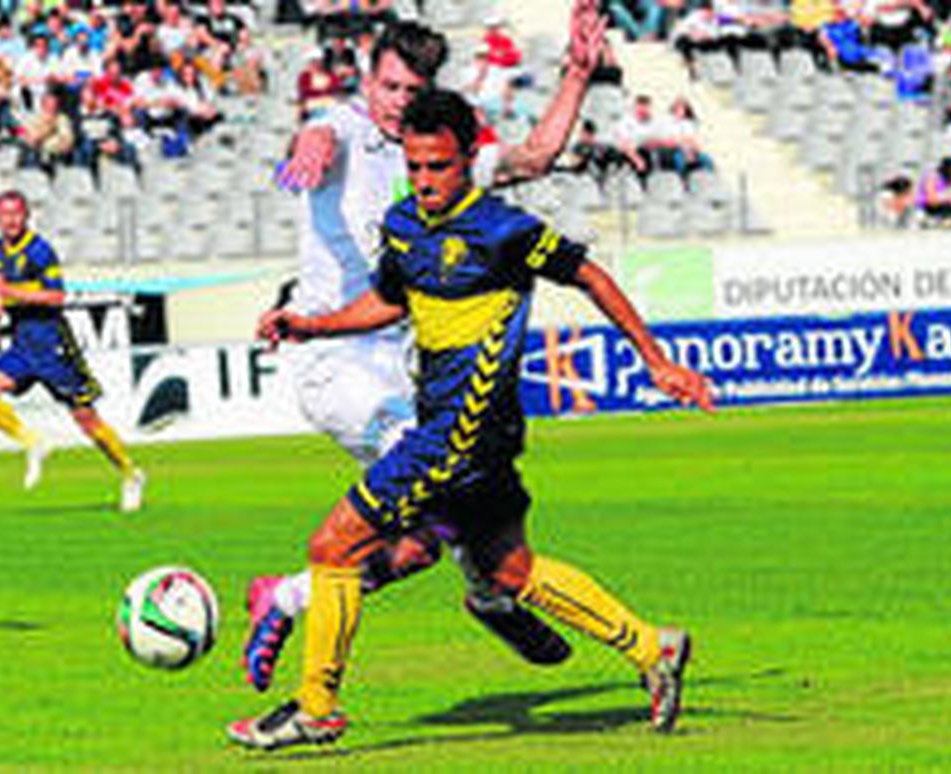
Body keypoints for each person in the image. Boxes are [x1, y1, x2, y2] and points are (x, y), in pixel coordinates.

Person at [228, 88, 708, 751]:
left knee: (332, 547)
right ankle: (652, 647)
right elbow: (390, 303)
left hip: (458, 436)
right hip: (463, 436)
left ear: (469, 158)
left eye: (440, 167)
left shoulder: (503, 230)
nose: (425, 181)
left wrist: (655, 359)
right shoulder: (402, 226)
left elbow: (590, 275)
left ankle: (317, 708)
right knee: (509, 571)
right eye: (416, 166)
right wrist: (310, 324)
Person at [242, 5, 609, 694]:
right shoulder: (344, 126)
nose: (397, 103)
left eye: (412, 92)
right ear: (367, 81)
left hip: (407, 370)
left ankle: (285, 597)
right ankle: (492, 594)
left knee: (416, 544)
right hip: (335, 362)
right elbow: (320, 136)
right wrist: (309, 147)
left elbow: (535, 157)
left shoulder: (434, 150)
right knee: (442, 476)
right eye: (388, 88)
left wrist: (577, 76)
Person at [0, 190, 147, 513]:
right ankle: (34, 442)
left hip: (53, 345)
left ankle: (130, 474)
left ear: (26, 216)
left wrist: (11, 293)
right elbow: (0, 286)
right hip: (23, 345)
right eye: (4, 214)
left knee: (86, 420)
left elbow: (57, 297)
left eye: (16, 214)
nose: (10, 220)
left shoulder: (40, 251)